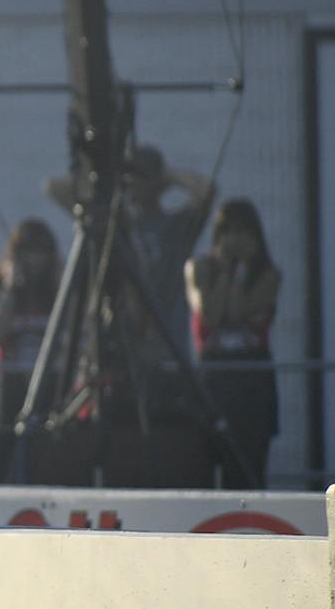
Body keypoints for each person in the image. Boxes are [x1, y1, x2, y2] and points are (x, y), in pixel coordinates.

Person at [44, 142, 214, 353]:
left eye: (140, 176)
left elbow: (205, 190)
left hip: (169, 346)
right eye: (128, 176)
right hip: (126, 351)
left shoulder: (177, 228)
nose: (132, 182)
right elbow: (54, 188)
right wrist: (106, 178)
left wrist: (168, 177)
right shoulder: (114, 226)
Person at [185, 199, 281, 486]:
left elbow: (242, 313)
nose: (235, 238)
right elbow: (211, 316)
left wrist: (241, 271)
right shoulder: (199, 267)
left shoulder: (269, 274)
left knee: (247, 468)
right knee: (202, 464)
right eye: (228, 231)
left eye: (243, 231)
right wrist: (225, 268)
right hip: (212, 378)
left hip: (251, 382)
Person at [0, 218, 62, 425]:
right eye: (27, 252)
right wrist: (11, 290)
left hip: (52, 381)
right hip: (11, 381)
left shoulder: (56, 289)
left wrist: (60, 283)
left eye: (41, 252)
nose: (34, 260)